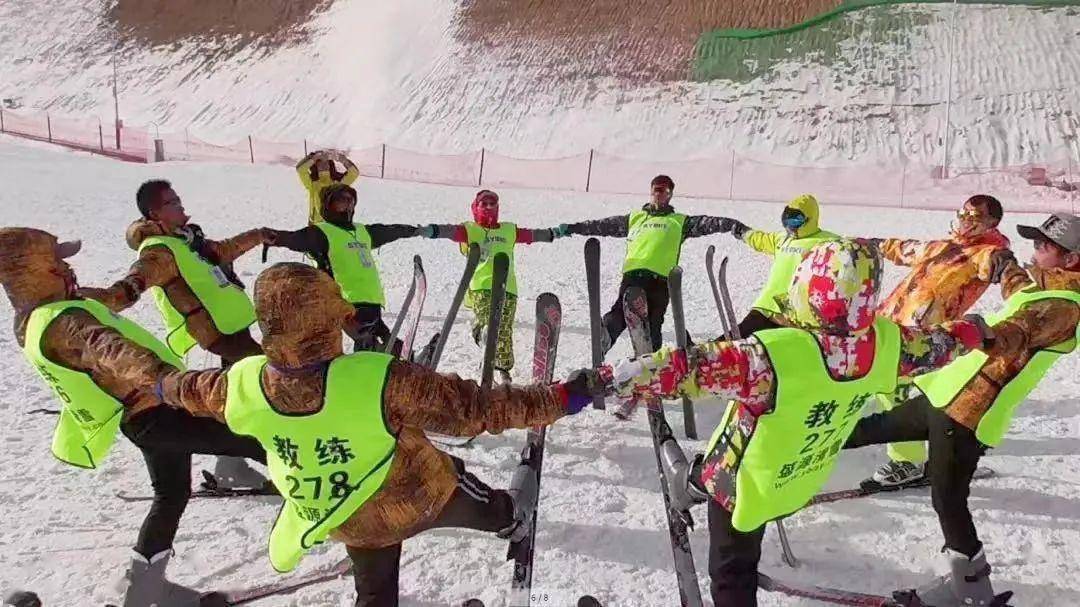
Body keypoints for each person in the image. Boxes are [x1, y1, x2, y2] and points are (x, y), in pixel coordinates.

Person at [154, 262, 595, 606]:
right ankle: (509, 519)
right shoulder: (377, 378)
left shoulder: (238, 384)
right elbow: (477, 410)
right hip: (419, 496)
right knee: (476, 495)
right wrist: (565, 397)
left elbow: (181, 388)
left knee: (375, 593)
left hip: (344, 515)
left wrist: (154, 383)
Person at [577, 240, 990, 606]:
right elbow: (941, 345)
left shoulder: (770, 358)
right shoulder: (887, 344)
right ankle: (691, 482)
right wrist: (974, 331)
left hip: (743, 488)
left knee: (732, 571)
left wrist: (600, 383)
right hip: (800, 475)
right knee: (713, 463)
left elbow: (684, 369)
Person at [0, 228, 266, 607]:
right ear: (34, 270)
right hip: (159, 411)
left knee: (172, 492)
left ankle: (145, 588)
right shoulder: (64, 323)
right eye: (57, 260)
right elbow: (112, 352)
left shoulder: (38, 315)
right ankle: (351, 525)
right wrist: (176, 382)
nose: (66, 265)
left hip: (143, 417)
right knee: (258, 441)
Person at [845, 212, 1080, 607]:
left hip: (969, 415)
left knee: (948, 499)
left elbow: (1018, 331)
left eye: (1043, 246)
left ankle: (971, 590)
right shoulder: (1043, 286)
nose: (1033, 250)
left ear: (1071, 259)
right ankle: (792, 455)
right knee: (871, 428)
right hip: (946, 397)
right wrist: (1003, 266)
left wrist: (982, 331)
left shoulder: (1064, 307)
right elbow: (1020, 289)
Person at [78, 179, 273, 488]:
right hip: (211, 339)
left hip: (232, 334)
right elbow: (128, 289)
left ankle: (231, 467)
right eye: (173, 202)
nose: (182, 205)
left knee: (242, 399)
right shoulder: (159, 253)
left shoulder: (187, 240)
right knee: (264, 390)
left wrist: (259, 235)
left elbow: (223, 251)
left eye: (179, 199)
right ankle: (254, 463)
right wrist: (81, 295)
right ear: (155, 213)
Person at [864, 194, 1010, 489]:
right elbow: (905, 249)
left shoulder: (983, 252)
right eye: (964, 213)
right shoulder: (944, 246)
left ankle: (908, 462)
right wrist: (871, 243)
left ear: (991, 222)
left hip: (923, 339)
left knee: (898, 393)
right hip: (888, 326)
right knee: (882, 387)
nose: (966, 220)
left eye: (975, 216)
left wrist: (1001, 262)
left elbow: (990, 261)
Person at [552, 174, 739, 348]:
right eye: (655, 190)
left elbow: (709, 223)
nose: (658, 195)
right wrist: (572, 228)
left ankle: (651, 359)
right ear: (650, 192)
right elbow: (602, 225)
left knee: (654, 323)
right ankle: (605, 336)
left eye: (663, 191)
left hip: (661, 281)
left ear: (670, 195)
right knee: (621, 313)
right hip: (634, 275)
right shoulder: (635, 218)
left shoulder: (679, 221)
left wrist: (733, 225)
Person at [265, 182, 422, 353]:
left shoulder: (362, 231)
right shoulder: (322, 232)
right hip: (346, 302)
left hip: (371, 298)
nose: (348, 204)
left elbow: (390, 231)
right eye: (342, 200)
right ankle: (381, 365)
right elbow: (295, 239)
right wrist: (273, 237)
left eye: (351, 200)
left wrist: (416, 231)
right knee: (368, 343)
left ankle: (407, 360)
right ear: (328, 204)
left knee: (386, 340)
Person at [419, 189, 555, 383]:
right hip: (481, 286)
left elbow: (530, 235)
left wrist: (552, 233)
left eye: (493, 204)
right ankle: (482, 335)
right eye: (484, 204)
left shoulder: (508, 230)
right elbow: (451, 231)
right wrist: (431, 230)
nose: (489, 207)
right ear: (476, 207)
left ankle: (502, 370)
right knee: (489, 321)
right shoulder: (471, 229)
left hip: (507, 286)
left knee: (504, 329)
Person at [720, 193, 839, 336]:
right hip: (767, 307)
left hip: (797, 315)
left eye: (796, 221)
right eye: (786, 220)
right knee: (737, 339)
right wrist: (743, 231)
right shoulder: (782, 239)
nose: (790, 226)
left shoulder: (827, 242)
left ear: (810, 220)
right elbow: (761, 240)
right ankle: (700, 355)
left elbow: (850, 253)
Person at [297, 149, 360, 224]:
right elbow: (354, 173)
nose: (323, 164)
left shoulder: (335, 183)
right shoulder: (315, 183)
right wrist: (341, 159)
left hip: (318, 224)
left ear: (331, 166)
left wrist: (314, 158)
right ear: (315, 166)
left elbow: (300, 170)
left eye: (326, 162)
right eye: (320, 162)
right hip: (328, 224)